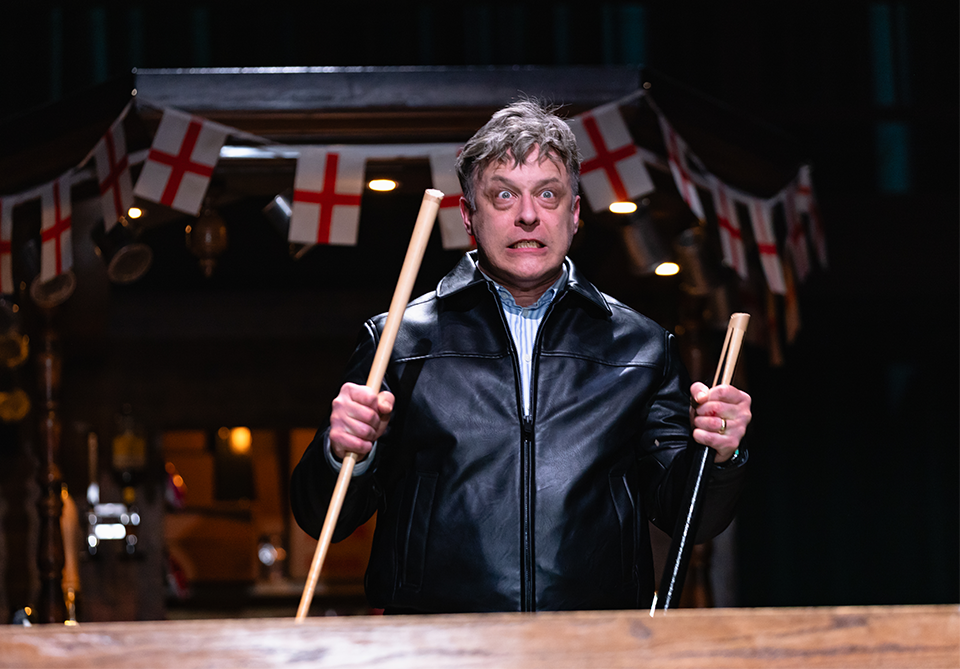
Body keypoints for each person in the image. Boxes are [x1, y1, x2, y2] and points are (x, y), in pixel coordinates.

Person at [291, 99, 751, 613]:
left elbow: (691, 519)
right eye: (504, 195)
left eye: (548, 194)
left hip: (593, 640)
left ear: (574, 214)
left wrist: (720, 453)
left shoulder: (641, 347)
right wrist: (342, 453)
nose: (528, 215)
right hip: (439, 641)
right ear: (468, 215)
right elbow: (320, 517)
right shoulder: (397, 341)